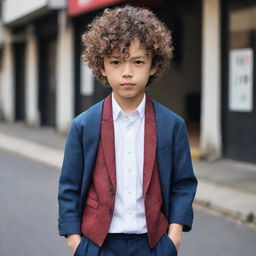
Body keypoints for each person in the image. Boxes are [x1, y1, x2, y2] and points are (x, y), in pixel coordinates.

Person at [58, 5, 197, 256]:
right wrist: (75, 242)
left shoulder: (171, 125)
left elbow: (183, 184)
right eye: (115, 62)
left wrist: (173, 238)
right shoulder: (83, 125)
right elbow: (69, 188)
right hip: (98, 245)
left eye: (138, 61)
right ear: (101, 67)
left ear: (153, 65)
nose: (127, 72)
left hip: (153, 244)